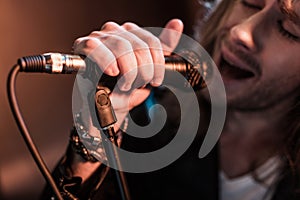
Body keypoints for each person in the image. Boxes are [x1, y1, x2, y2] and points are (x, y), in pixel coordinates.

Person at [42, 0, 300, 199]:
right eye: (249, 2)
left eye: (288, 29)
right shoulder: (145, 121)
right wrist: (92, 140)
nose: (240, 33)